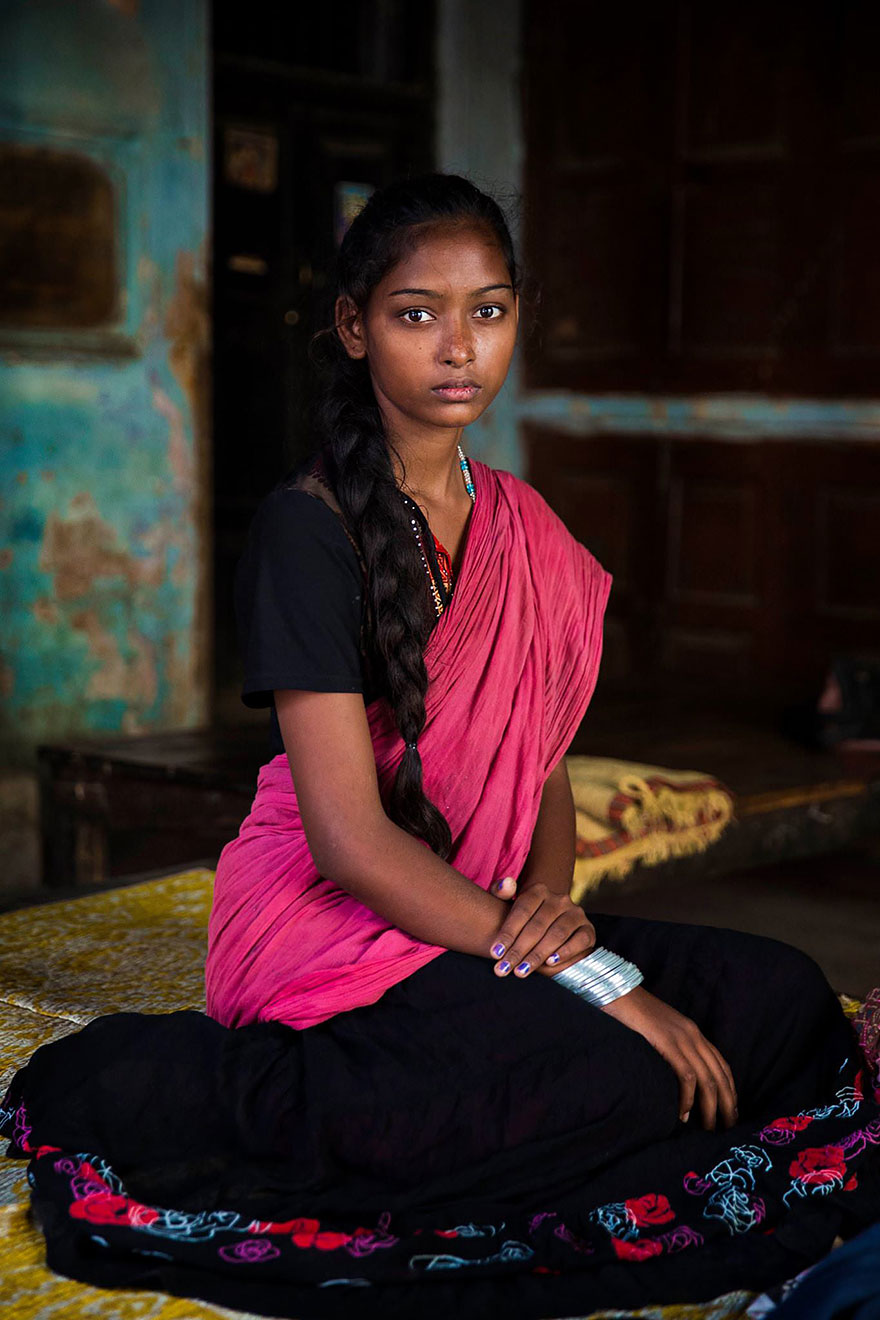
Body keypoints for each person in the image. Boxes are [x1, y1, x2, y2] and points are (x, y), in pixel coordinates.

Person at [2, 174, 879, 1320]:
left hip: (484, 910)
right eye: (418, 314)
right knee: (627, 1065)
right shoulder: (308, 531)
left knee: (775, 996)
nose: (459, 347)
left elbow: (543, 758)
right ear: (354, 326)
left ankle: (513, 1083)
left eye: (490, 309)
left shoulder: (522, 521)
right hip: (330, 927)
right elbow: (351, 842)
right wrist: (589, 977)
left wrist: (557, 910)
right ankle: (202, 1087)